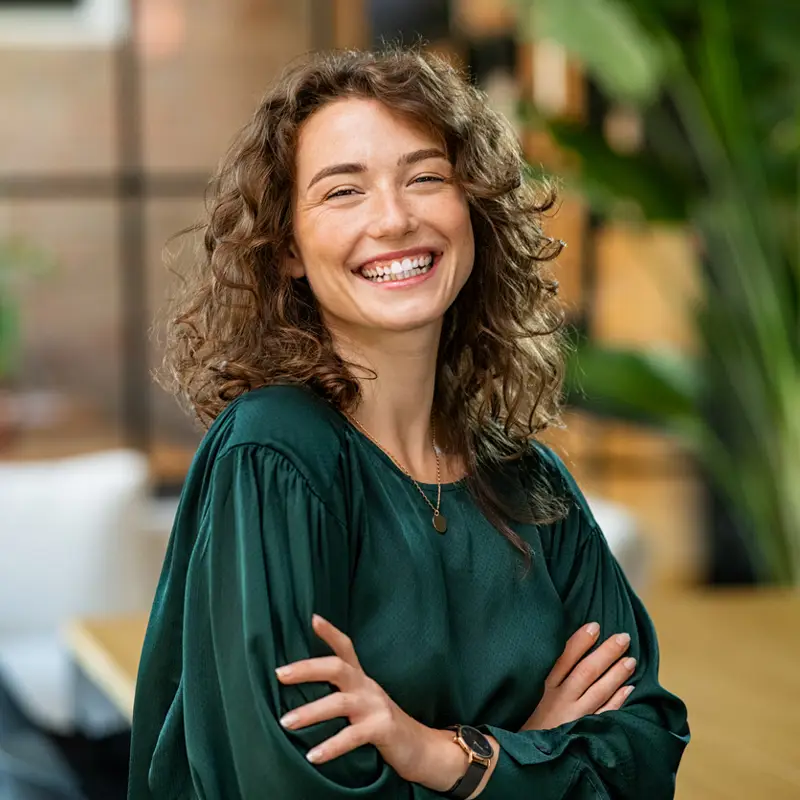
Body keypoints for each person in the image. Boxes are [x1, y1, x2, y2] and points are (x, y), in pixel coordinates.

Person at [127, 46, 690, 800]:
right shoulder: (276, 455)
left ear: (473, 211)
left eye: (425, 178)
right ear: (288, 247)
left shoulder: (528, 482)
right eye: (342, 192)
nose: (394, 219)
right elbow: (286, 788)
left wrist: (445, 755)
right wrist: (531, 754)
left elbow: (645, 753)